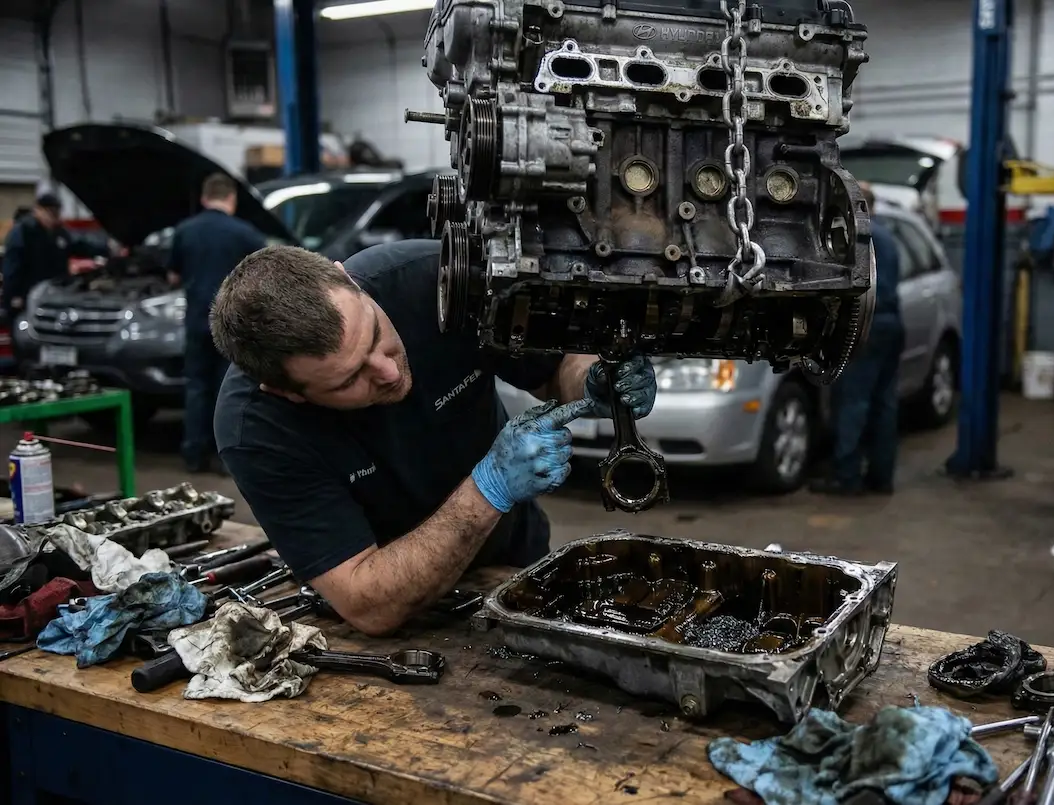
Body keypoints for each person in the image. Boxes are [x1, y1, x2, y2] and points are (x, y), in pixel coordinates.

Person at [209, 240, 657, 635]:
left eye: (376, 336)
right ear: (287, 392)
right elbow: (368, 604)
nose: (387, 371)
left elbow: (556, 368)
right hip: (403, 610)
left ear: (347, 277)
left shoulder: (441, 281)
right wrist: (489, 488)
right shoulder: (257, 429)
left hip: (514, 560)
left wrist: (594, 380)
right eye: (349, 380)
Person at [810, 181, 904, 497]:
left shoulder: (856, 237)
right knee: (884, 403)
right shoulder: (890, 236)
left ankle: (846, 478)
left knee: (853, 402)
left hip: (867, 325)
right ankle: (882, 477)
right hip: (893, 324)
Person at [168, 173, 266, 474]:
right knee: (230, 391)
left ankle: (193, 455)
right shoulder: (246, 234)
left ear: (204, 198)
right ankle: (227, 457)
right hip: (232, 325)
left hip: (196, 321)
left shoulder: (184, 231)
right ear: (231, 199)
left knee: (196, 387)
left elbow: (172, 277)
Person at [1, 193, 111, 317]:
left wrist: (108, 249)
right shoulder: (23, 232)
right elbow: (12, 266)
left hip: (54, 292)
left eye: (56, 213)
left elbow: (80, 246)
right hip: (28, 293)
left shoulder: (59, 233)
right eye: (50, 213)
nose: (54, 218)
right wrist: (13, 296)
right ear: (38, 210)